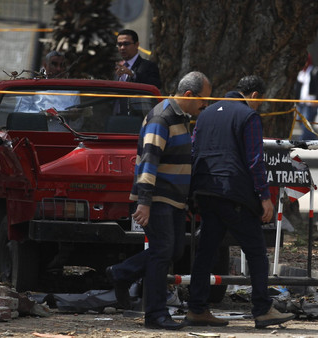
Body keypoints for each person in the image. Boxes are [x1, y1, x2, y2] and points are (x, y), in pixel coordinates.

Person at [186, 75, 295, 329]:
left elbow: (194, 151)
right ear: (254, 96)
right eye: (260, 101)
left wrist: (192, 192)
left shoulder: (205, 114)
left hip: (206, 191)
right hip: (234, 193)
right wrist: (264, 197)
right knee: (256, 252)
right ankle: (262, 308)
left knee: (205, 252)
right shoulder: (248, 116)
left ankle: (196, 308)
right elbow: (255, 159)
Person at [106, 71, 211, 330]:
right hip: (157, 198)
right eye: (203, 100)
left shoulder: (182, 117)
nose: (205, 105)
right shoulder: (162, 117)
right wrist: (144, 201)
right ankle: (155, 314)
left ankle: (121, 273)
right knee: (163, 252)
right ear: (188, 95)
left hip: (173, 200)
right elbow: (148, 161)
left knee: (173, 250)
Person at [294, 53, 318, 140]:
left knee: (306, 121)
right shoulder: (301, 73)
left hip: (310, 102)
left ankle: (304, 139)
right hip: (301, 102)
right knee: (299, 120)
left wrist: (317, 100)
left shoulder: (314, 71)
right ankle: (312, 137)